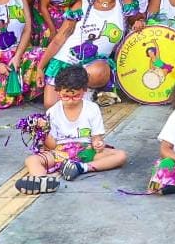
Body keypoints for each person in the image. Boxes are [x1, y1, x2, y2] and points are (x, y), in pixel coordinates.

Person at [14, 66, 128, 195]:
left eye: (76, 96)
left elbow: (97, 137)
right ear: (58, 92)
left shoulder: (92, 108)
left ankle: (82, 168)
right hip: (60, 153)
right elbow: (52, 145)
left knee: (121, 155)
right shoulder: (52, 112)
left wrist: (98, 143)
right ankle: (42, 180)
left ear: (84, 90)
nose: (70, 100)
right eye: (65, 96)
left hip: (86, 151)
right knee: (31, 160)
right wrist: (43, 130)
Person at [40, 0, 139, 109]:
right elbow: (60, 38)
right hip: (66, 60)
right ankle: (84, 95)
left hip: (94, 64)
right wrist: (40, 67)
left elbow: (138, 18)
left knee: (98, 72)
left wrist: (139, 21)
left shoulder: (125, 5)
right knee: (51, 106)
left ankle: (88, 92)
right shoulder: (82, 5)